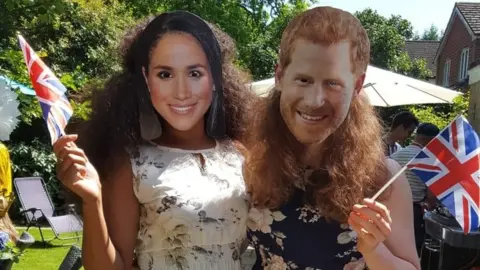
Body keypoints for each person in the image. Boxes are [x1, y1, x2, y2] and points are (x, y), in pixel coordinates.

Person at [53, 11, 257, 270]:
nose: (182, 92)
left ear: (215, 79)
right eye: (165, 74)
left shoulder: (240, 153)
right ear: (145, 81)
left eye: (194, 73)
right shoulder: (131, 163)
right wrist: (92, 201)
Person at [244, 6, 421, 270]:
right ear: (280, 76)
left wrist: (374, 250)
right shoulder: (251, 159)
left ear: (357, 86)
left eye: (333, 83)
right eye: (303, 80)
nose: (315, 100)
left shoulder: (382, 179)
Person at [391, 122, 440, 256]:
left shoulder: (397, 154)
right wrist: (432, 206)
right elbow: (431, 195)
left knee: (392, 246)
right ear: (433, 140)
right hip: (413, 211)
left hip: (391, 207)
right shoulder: (430, 161)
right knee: (411, 250)